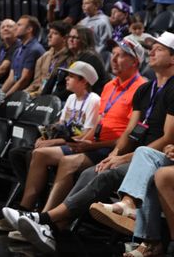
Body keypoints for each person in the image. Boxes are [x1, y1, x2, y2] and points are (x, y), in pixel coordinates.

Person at [17, 32, 174, 254]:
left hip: (152, 155)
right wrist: (115, 155)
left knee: (111, 173)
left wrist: (121, 156)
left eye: (158, 49)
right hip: (132, 152)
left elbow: (168, 138)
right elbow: (130, 131)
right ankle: (55, 224)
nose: (152, 52)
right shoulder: (144, 89)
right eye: (152, 48)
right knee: (90, 172)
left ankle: (46, 219)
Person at [0, 40, 144, 237]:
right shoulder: (109, 86)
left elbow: (128, 134)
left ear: (135, 61)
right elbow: (100, 122)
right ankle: (27, 210)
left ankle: (44, 219)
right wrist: (82, 142)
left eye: (121, 55)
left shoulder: (141, 88)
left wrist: (90, 145)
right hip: (94, 143)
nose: (113, 59)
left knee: (67, 162)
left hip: (111, 149)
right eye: (113, 54)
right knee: (38, 154)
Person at [2, 15, 46, 96]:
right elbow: (11, 78)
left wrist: (6, 97)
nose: (15, 28)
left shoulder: (34, 49)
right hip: (16, 91)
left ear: (29, 29)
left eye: (19, 25)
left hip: (27, 94)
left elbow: (24, 80)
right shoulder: (18, 50)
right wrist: (0, 95)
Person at [26, 21, 71, 97]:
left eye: (55, 33)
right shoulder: (44, 57)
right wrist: (24, 94)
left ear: (64, 38)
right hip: (39, 96)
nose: (49, 36)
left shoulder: (70, 57)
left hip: (57, 97)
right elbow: (36, 82)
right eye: (49, 32)